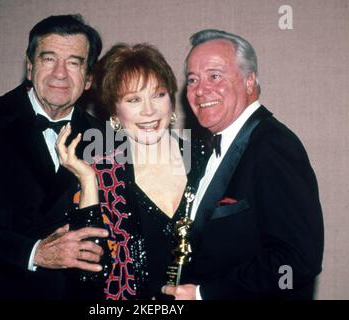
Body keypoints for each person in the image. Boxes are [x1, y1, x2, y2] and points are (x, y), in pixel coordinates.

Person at [0, 15, 109, 299]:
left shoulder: (107, 137)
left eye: (74, 62)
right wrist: (33, 253)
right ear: (30, 67)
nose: (60, 73)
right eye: (49, 59)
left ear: (89, 78)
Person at [162, 29, 324, 300]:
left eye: (214, 76)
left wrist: (205, 294)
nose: (200, 90)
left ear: (250, 82)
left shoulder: (273, 146)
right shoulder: (205, 152)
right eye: (192, 80)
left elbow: (296, 262)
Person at [55, 43, 208, 299]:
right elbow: (88, 275)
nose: (149, 110)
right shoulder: (102, 174)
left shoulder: (205, 159)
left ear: (172, 100)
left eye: (158, 94)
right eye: (134, 99)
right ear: (115, 113)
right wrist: (88, 180)